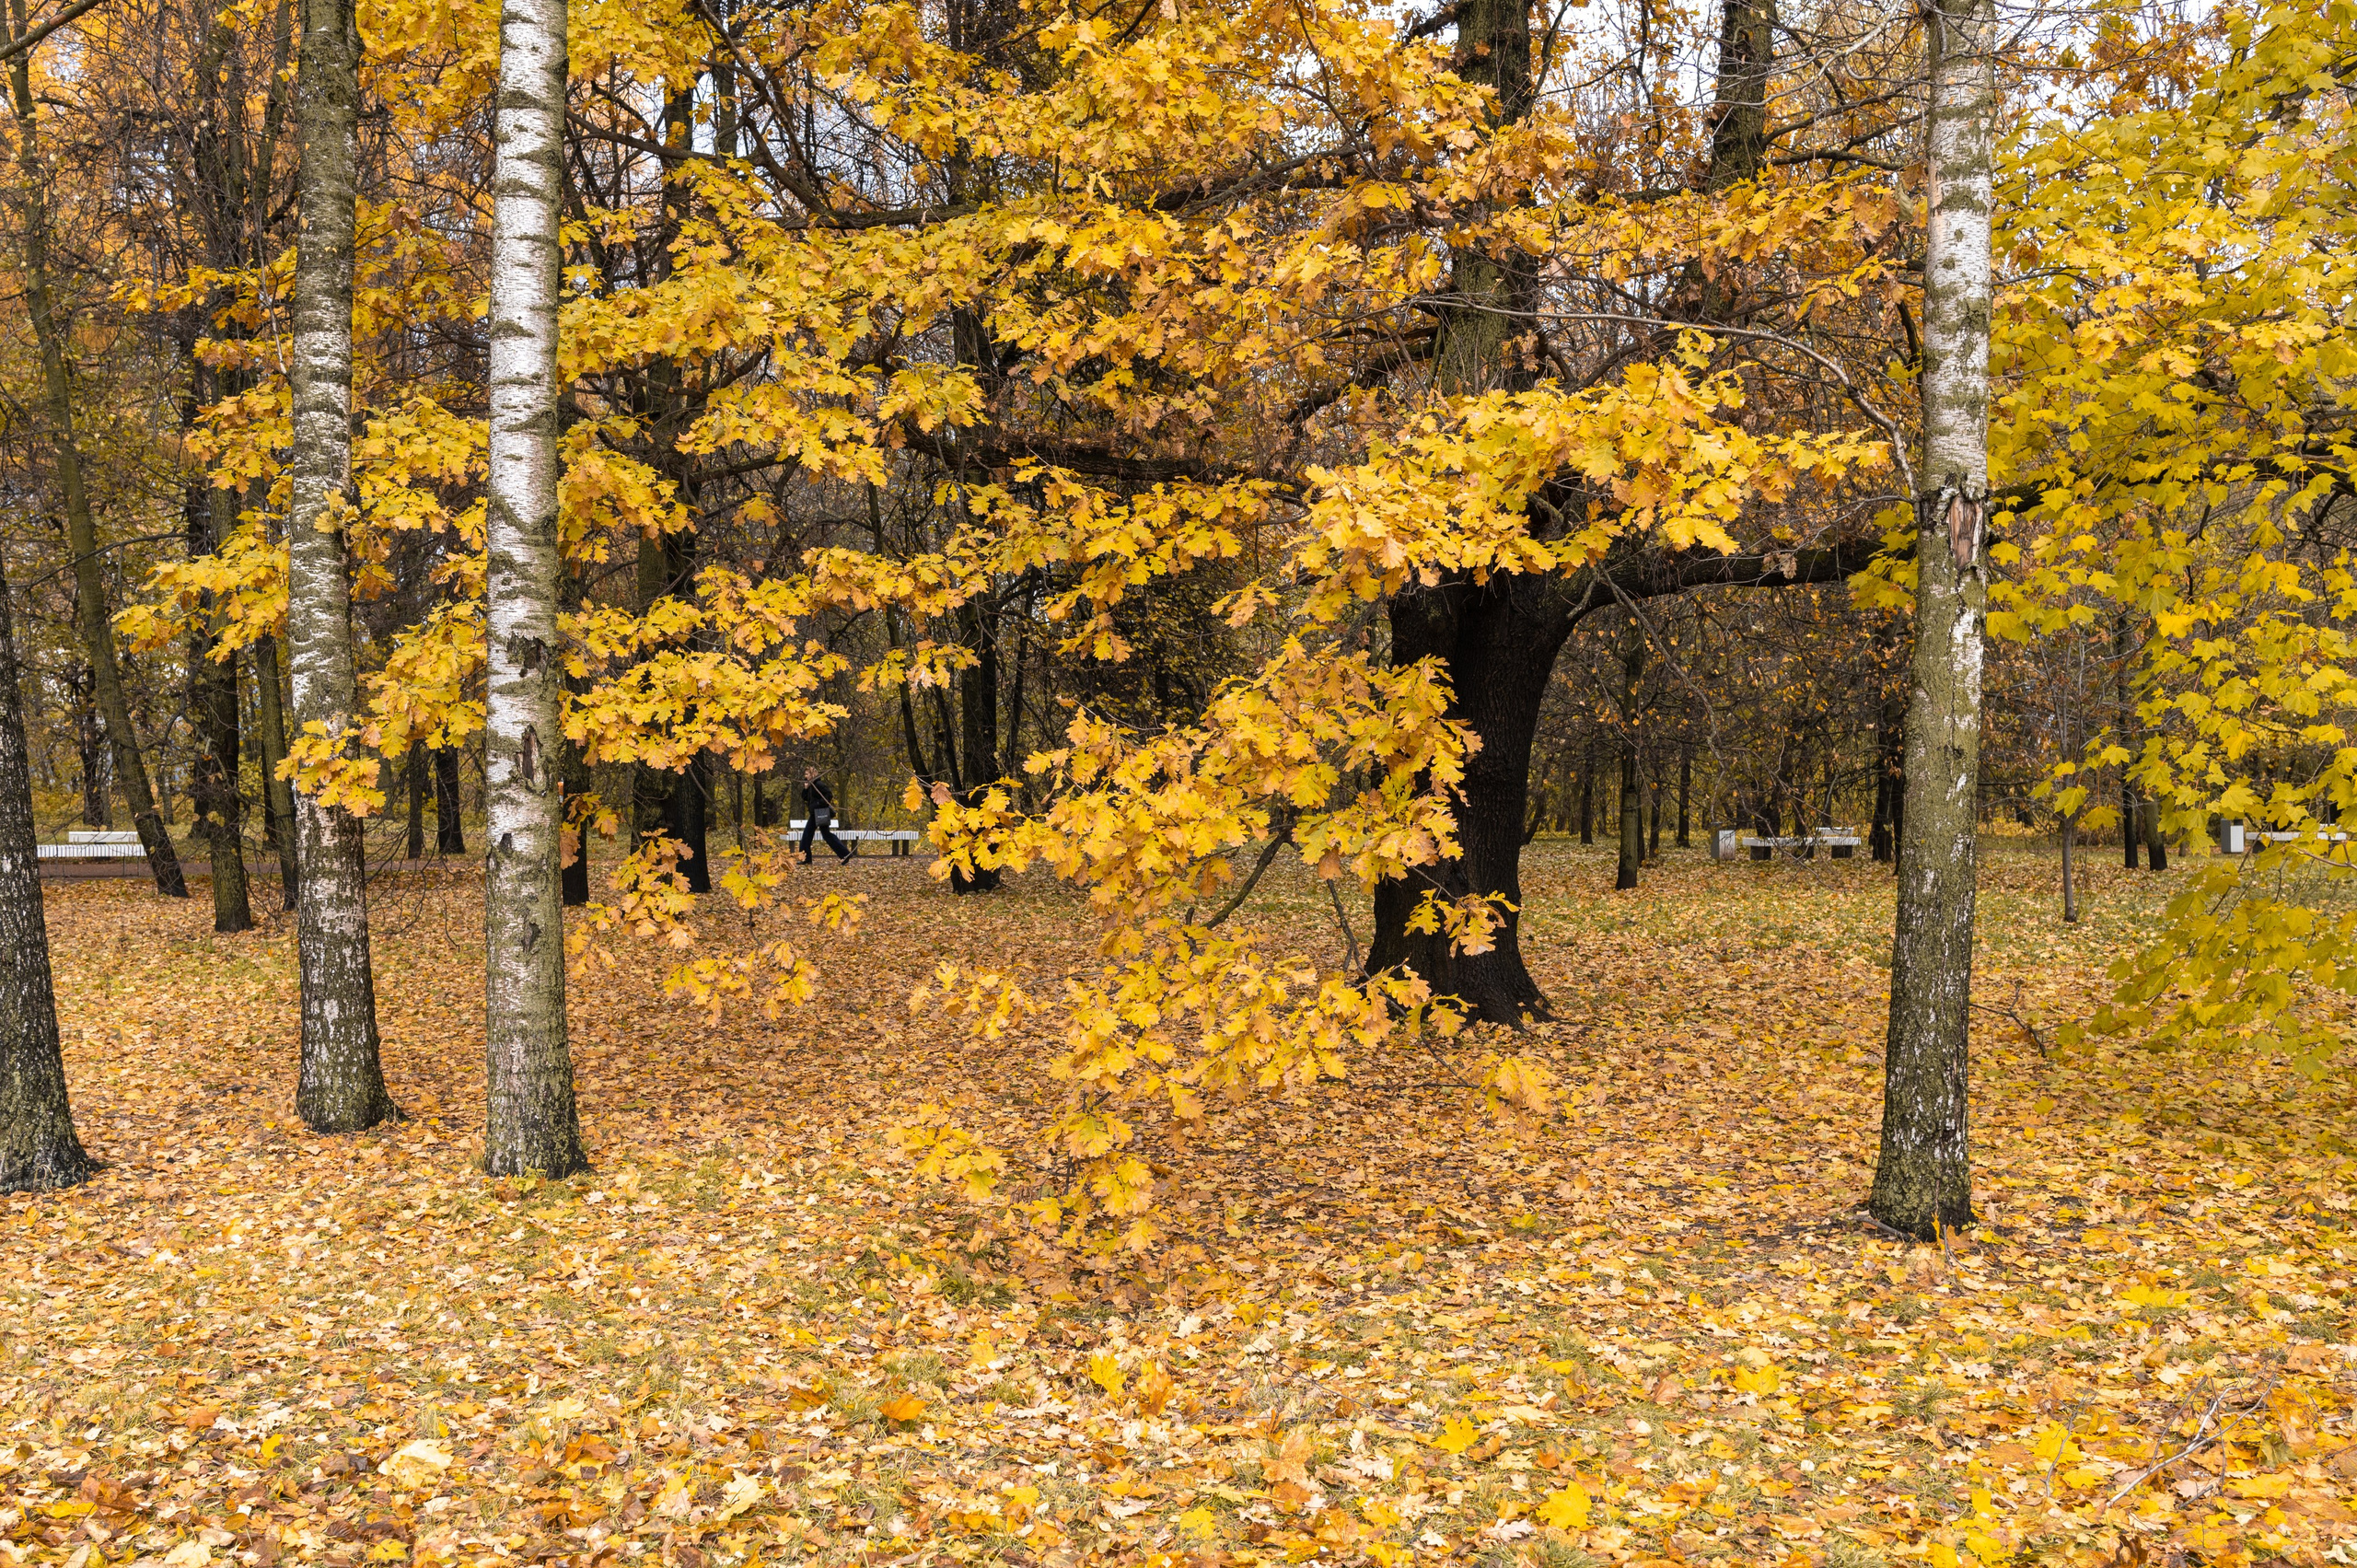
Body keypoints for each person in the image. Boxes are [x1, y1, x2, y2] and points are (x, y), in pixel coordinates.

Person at [799, 766, 852, 865]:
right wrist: (806, 789)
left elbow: (829, 795)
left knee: (810, 835)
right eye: (805, 774)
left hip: (820, 813)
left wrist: (817, 805)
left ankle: (806, 858)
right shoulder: (811, 785)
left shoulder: (818, 784)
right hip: (815, 814)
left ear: (813, 774)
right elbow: (805, 798)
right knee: (820, 835)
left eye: (807, 774)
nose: (805, 776)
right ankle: (845, 854)